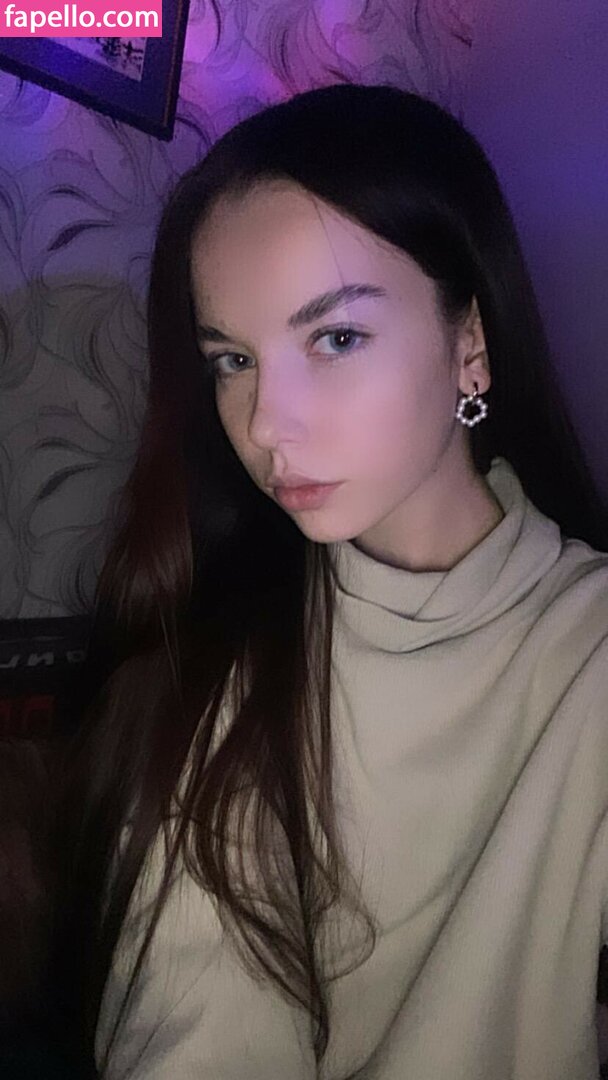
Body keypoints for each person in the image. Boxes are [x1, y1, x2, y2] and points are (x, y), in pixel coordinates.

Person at [50, 82, 608, 1080]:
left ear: (470, 344)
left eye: (336, 337)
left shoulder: (586, 655)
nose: (266, 423)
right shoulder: (225, 662)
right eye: (232, 359)